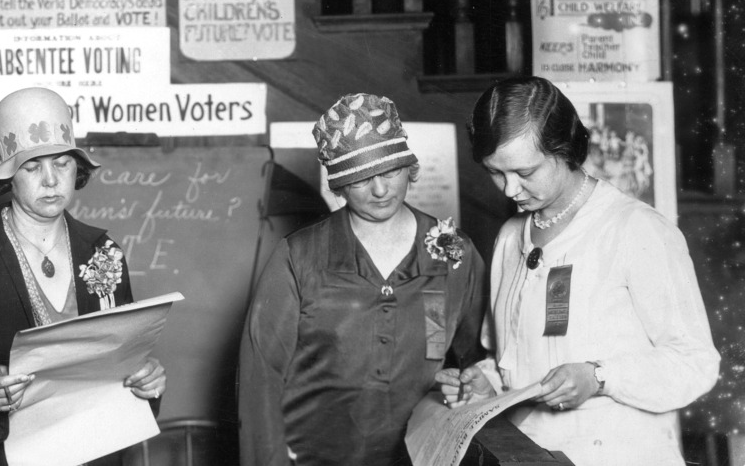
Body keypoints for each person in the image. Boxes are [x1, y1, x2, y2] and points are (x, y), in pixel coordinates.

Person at [437, 76, 719, 466]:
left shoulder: (636, 229)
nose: (508, 190)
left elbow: (696, 363)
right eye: (495, 172)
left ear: (566, 150)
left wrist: (599, 377)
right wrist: (487, 381)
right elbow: (515, 358)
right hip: (527, 455)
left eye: (525, 172)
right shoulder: (511, 236)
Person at [0, 87, 166, 466]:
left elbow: (123, 360)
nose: (50, 180)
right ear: (9, 177)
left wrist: (146, 380)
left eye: (62, 164)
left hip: (90, 451)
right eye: (32, 168)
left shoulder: (103, 252)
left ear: (77, 169)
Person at [239, 93, 485, 466]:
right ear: (339, 185)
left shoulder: (452, 250)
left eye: (391, 172)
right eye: (361, 179)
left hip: (418, 455)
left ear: (409, 167)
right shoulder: (299, 256)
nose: (381, 190)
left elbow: (477, 360)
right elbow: (261, 377)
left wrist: (463, 382)